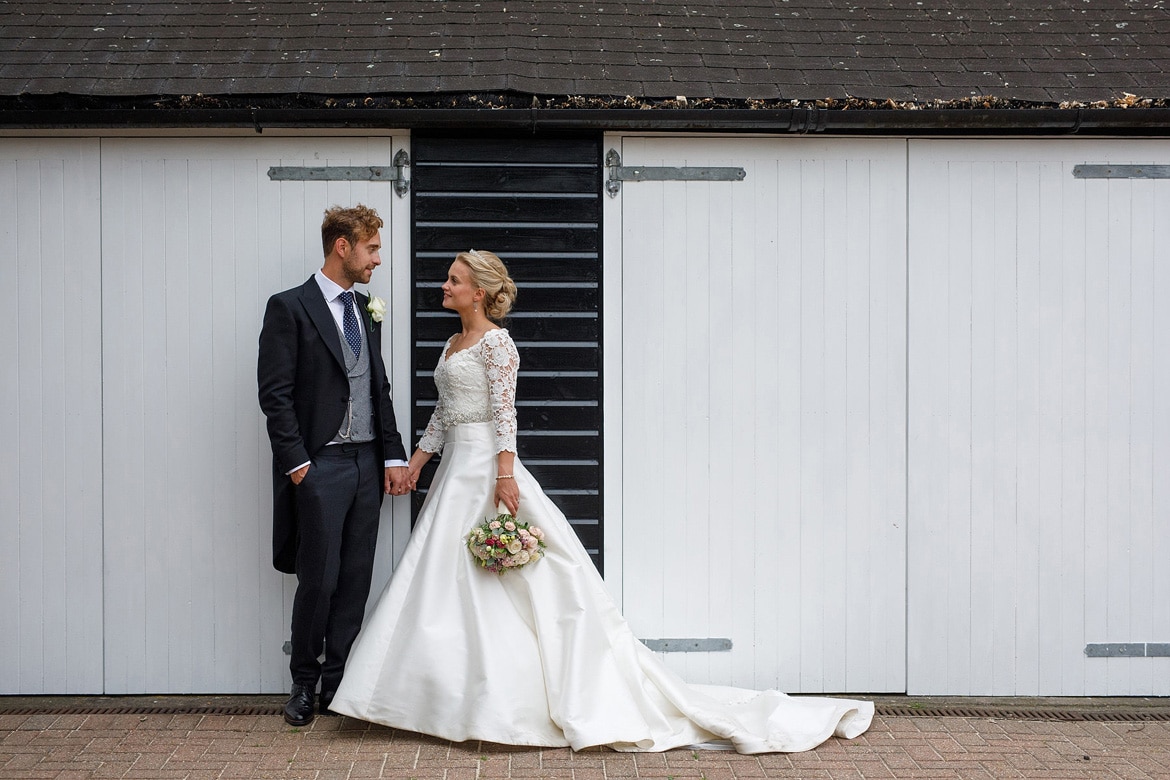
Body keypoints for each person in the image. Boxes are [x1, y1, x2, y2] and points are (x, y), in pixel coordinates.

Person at [329, 250, 874, 753]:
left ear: (479, 292)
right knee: (442, 585)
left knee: (508, 585)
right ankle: (438, 699)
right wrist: (415, 467)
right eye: (448, 278)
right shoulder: (452, 346)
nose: (443, 285)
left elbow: (505, 413)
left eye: (454, 280)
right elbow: (444, 415)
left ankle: (501, 702)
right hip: (453, 474)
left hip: (487, 471)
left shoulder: (498, 344)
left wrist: (504, 475)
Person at [257, 204, 410, 727]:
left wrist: (392, 454)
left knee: (355, 578)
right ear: (342, 246)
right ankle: (303, 681)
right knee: (317, 579)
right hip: (321, 465)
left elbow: (376, 386)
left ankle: (337, 681)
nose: (377, 261)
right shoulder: (290, 307)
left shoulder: (366, 307)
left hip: (368, 463)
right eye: (371, 249)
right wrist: (299, 465)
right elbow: (275, 396)